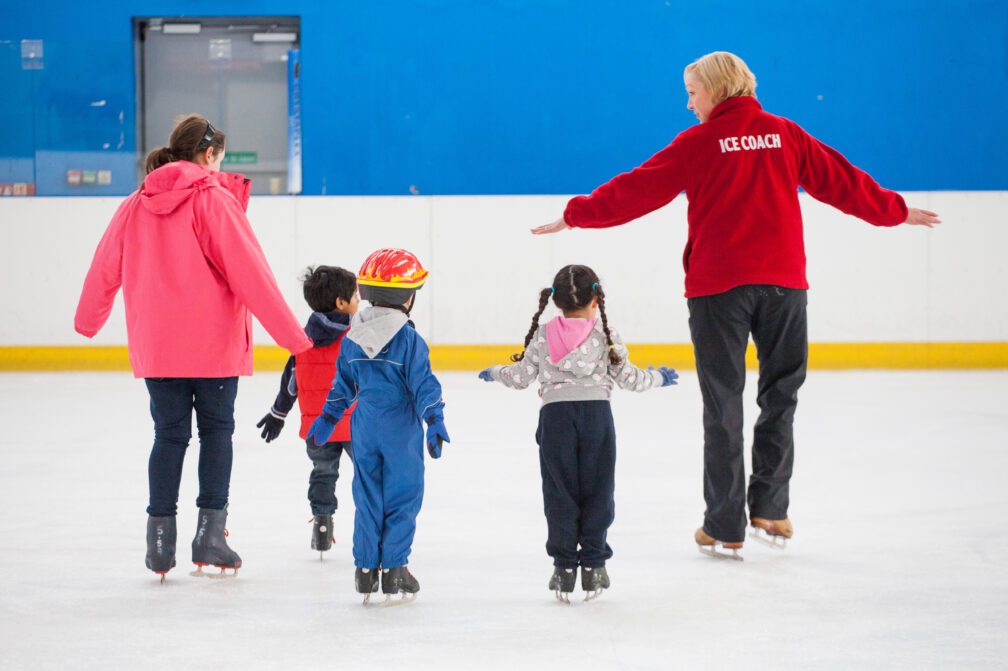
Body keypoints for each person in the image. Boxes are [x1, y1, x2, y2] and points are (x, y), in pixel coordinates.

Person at [531, 52, 940, 560]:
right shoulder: (784, 134)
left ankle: (725, 524)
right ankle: (771, 507)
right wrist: (894, 210)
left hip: (717, 290)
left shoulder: (698, 142)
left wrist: (577, 214)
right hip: (784, 287)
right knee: (781, 394)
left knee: (722, 404)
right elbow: (842, 180)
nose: (688, 104)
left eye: (693, 92)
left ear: (718, 89)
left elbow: (638, 189)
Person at [74, 114, 313, 581]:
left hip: (158, 347)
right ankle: (210, 538)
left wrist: (88, 321)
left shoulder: (134, 204)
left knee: (168, 437)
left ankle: (159, 544)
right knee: (216, 433)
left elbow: (104, 266)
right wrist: (294, 339)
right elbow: (253, 276)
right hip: (212, 347)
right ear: (209, 156)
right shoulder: (213, 200)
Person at [479, 264, 678, 602]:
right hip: (596, 418)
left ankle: (564, 568)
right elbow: (629, 378)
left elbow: (521, 377)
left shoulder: (543, 334)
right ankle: (595, 566)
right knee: (599, 490)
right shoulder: (606, 333)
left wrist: (498, 371)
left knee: (560, 492)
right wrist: (658, 377)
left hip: (555, 418)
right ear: (596, 298)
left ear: (555, 301)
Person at [306, 248, 449, 604]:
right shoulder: (409, 339)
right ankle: (395, 569)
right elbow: (423, 385)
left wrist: (327, 419)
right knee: (402, 496)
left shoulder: (353, 337)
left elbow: (343, 386)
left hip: (364, 426)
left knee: (368, 495)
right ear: (407, 296)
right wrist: (434, 418)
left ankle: (366, 570)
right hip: (400, 428)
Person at [256, 266, 359, 558]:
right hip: (354, 425)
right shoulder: (358, 336)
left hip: (316, 427)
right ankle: (370, 523)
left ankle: (323, 525)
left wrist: (278, 413)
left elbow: (291, 382)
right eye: (355, 295)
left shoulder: (302, 339)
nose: (359, 299)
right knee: (366, 475)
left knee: (323, 474)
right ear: (341, 302)